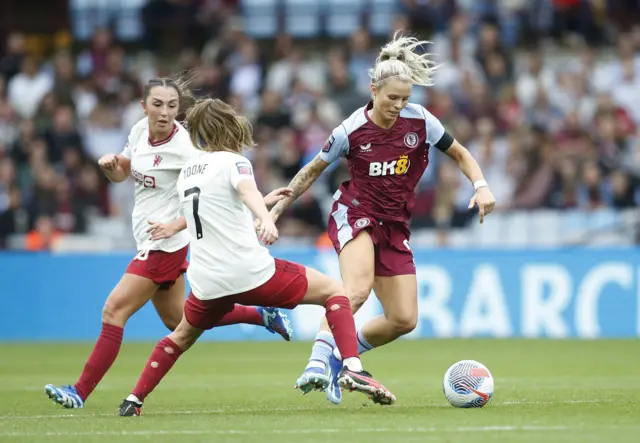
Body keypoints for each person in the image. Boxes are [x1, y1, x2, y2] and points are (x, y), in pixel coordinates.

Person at [117, 98, 395, 416]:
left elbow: (218, 212)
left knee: (179, 335)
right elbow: (246, 191)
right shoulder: (234, 161)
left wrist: (262, 202)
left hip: (207, 280)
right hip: (248, 270)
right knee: (335, 292)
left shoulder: (188, 172)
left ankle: (134, 399)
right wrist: (264, 216)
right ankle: (352, 366)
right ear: (226, 126)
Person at [266, 33, 496, 405]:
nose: (398, 106)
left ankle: (342, 360)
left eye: (405, 98)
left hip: (395, 224)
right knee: (355, 290)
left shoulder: (421, 121)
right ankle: (318, 363)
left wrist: (481, 184)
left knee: (404, 319)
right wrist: (277, 207)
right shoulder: (351, 129)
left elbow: (460, 153)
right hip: (355, 212)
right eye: (392, 98)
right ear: (373, 89)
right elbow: (311, 171)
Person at [44, 78, 293, 410]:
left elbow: (214, 190)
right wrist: (111, 168)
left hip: (166, 243)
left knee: (113, 311)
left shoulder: (187, 147)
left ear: (179, 110)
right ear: (143, 106)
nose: (164, 113)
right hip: (149, 239)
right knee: (178, 321)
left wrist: (255, 206)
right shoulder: (136, 133)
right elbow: (124, 172)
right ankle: (262, 316)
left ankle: (79, 391)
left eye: (172, 106)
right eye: (157, 104)